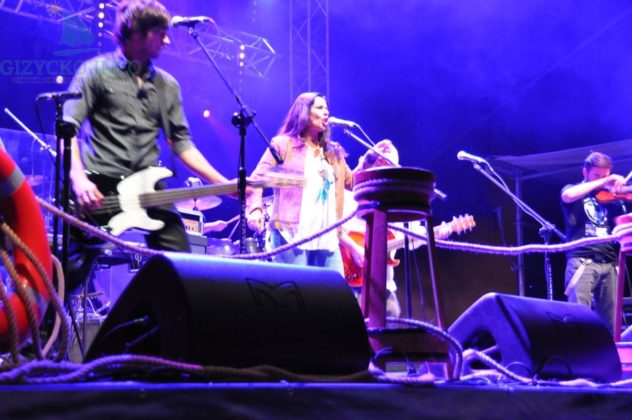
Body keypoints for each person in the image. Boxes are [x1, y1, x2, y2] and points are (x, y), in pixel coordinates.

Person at [63, 0, 232, 286]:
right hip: (98, 189)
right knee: (68, 274)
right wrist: (79, 181)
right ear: (138, 32)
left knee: (182, 269)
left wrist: (225, 184)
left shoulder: (167, 85)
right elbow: (67, 131)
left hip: (147, 188)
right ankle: (43, 315)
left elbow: (183, 145)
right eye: (160, 33)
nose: (167, 40)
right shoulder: (95, 71)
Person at [246, 92, 360, 275]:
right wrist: (255, 209)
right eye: (320, 108)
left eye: (327, 109)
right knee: (297, 290)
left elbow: (353, 182)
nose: (326, 112)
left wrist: (369, 161)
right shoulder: (283, 145)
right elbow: (257, 180)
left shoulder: (333, 153)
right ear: (304, 112)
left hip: (327, 238)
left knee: (334, 291)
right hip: (291, 235)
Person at [341, 139, 453, 317]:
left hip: (383, 284)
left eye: (387, 167)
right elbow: (333, 229)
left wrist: (435, 235)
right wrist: (354, 248)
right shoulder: (350, 195)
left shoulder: (397, 202)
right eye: (379, 164)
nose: (382, 170)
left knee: (392, 317)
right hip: (348, 280)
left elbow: (412, 238)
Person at [561, 151, 628, 335]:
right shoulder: (573, 189)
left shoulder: (611, 199)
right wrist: (605, 181)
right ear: (585, 172)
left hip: (610, 262)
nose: (602, 180)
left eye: (605, 176)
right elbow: (567, 196)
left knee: (611, 323)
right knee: (578, 318)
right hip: (582, 261)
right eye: (597, 175)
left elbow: (621, 225)